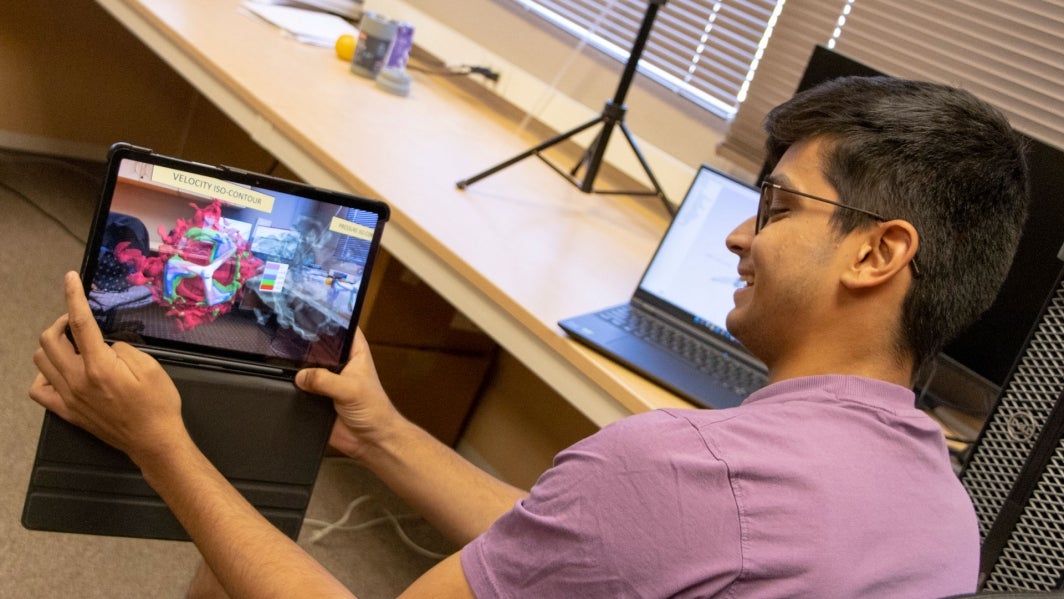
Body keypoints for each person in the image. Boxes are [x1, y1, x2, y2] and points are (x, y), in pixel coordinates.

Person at [30, 75, 1029, 598]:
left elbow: (623, 516)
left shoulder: (675, 467)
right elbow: (594, 547)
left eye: (772, 204)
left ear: (875, 253)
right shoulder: (941, 513)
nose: (736, 230)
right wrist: (380, 431)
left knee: (225, 561)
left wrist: (158, 443)